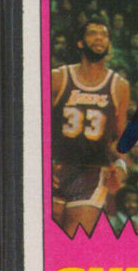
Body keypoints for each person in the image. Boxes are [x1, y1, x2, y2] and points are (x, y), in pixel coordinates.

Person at [51, 18, 130, 237]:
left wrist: (121, 167)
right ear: (80, 42)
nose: (99, 38)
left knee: (73, 238)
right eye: (93, 33)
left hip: (92, 172)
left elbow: (121, 138)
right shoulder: (58, 78)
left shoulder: (119, 86)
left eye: (104, 35)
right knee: (50, 239)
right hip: (56, 167)